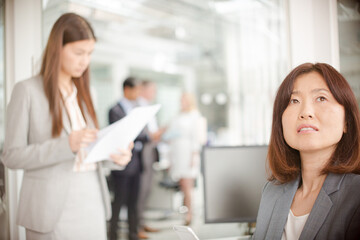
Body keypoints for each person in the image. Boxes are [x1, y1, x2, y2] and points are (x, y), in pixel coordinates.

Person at [1, 13, 132, 240]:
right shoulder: (27, 91)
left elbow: (89, 150)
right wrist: (66, 145)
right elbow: (11, 156)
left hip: (91, 200)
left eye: (89, 54)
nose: (85, 61)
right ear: (57, 48)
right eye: (78, 53)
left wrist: (114, 156)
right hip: (49, 207)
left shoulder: (87, 93)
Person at [253, 63, 360, 240]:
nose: (306, 112)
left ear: (346, 121)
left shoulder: (356, 194)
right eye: (294, 101)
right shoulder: (272, 192)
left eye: (321, 98)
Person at [108, 77, 149, 240]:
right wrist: (143, 136)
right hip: (121, 166)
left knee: (134, 202)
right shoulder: (115, 110)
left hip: (137, 163)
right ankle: (113, 235)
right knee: (118, 203)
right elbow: (123, 134)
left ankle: (133, 235)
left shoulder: (137, 109)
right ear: (127, 89)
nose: (139, 94)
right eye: (136, 90)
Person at [164, 92, 207, 225]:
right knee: (182, 184)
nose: (181, 102)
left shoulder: (195, 116)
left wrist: (194, 156)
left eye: (184, 99)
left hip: (188, 153)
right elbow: (170, 136)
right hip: (177, 153)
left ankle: (189, 214)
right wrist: (170, 158)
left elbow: (197, 138)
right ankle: (185, 210)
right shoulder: (177, 116)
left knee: (187, 185)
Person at [137, 80, 163, 239]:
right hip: (142, 153)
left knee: (147, 190)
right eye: (152, 89)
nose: (154, 93)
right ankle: (138, 225)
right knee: (141, 191)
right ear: (143, 89)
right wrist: (152, 136)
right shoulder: (139, 107)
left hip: (151, 151)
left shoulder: (149, 107)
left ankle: (142, 223)